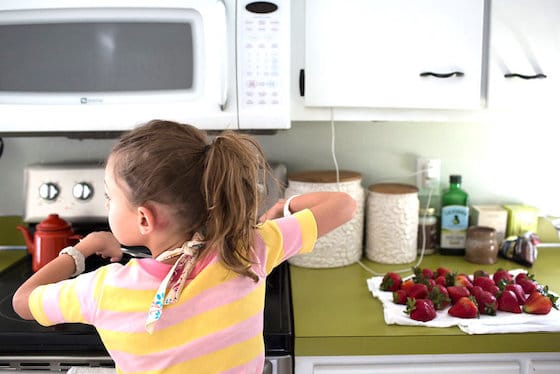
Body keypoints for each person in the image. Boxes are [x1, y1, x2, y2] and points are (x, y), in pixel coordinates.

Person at [12, 119, 356, 373]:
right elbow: (343, 205)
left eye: (109, 197)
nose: (107, 204)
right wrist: (284, 210)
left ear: (144, 219)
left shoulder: (102, 290)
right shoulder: (250, 249)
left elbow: (23, 302)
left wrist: (82, 250)